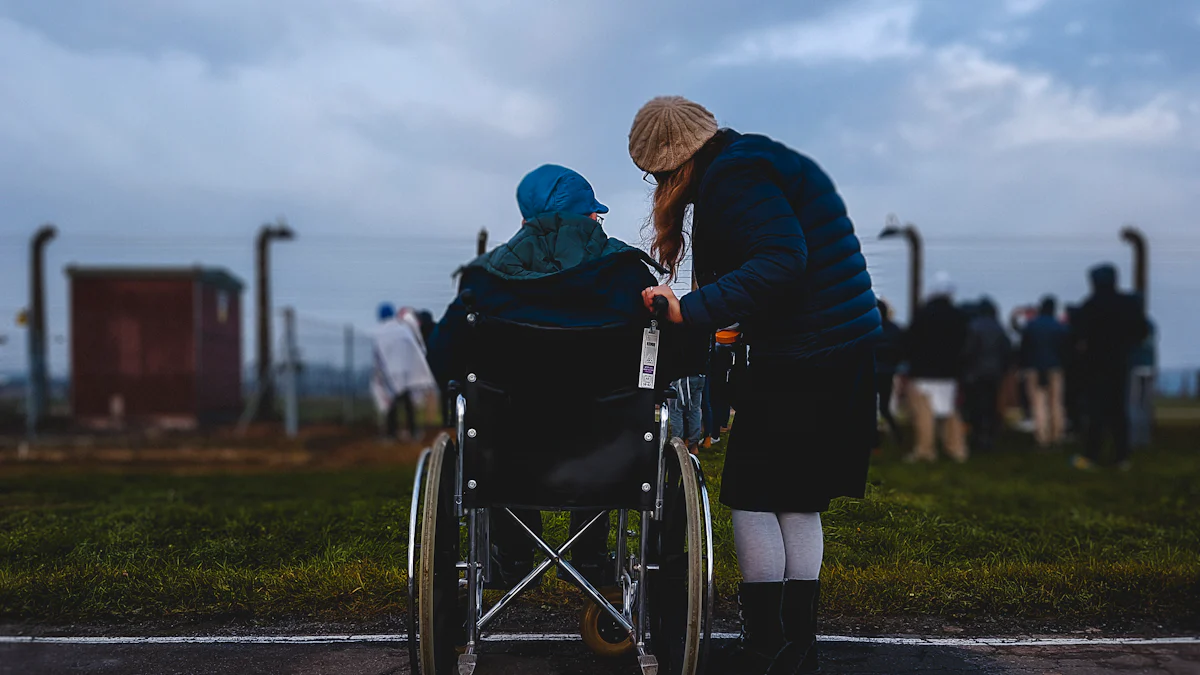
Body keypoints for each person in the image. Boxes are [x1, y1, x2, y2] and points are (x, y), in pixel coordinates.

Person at [630, 96, 881, 675]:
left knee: (751, 490)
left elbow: (781, 259)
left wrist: (689, 310)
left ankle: (766, 642)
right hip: (834, 347)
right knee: (794, 495)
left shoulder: (735, 177)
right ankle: (797, 644)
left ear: (677, 162)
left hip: (808, 350)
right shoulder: (752, 161)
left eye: (659, 174)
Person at [425, 163, 701, 593]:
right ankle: (589, 558)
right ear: (591, 218)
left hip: (506, 457)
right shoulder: (629, 276)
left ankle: (512, 554)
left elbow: (442, 359)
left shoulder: (484, 281)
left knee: (498, 427)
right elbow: (677, 360)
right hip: (610, 456)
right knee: (609, 420)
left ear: (524, 221)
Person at [1071, 264, 1149, 470]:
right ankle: (1122, 457)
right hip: (1120, 362)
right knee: (1119, 411)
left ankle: (1091, 456)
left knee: (1096, 411)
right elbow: (1142, 330)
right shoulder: (1128, 304)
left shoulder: (1089, 305)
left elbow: (1077, 335)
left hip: (1095, 364)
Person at [904, 273, 969, 463]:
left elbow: (910, 342)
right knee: (950, 412)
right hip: (949, 372)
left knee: (924, 414)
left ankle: (925, 450)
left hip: (923, 372)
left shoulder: (922, 314)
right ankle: (956, 449)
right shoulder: (958, 316)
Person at [371, 303, 436, 442]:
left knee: (392, 405)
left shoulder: (379, 333)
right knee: (408, 404)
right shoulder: (403, 329)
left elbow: (377, 356)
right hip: (407, 371)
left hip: (390, 372)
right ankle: (413, 432)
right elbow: (416, 349)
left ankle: (390, 434)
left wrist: (380, 375)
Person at [962, 297, 1011, 452]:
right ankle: (990, 437)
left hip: (975, 373)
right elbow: (1007, 351)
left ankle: (978, 436)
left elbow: (967, 351)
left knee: (976, 406)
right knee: (991, 406)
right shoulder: (999, 328)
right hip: (995, 373)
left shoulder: (973, 326)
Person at [1021, 296, 1068, 448]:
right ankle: (1057, 435)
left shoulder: (1031, 325)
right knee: (1056, 403)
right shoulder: (1059, 326)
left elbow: (1024, 347)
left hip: (1034, 368)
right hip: (1055, 368)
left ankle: (1042, 437)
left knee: (1039, 404)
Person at [874, 299, 905, 446]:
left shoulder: (867, 329)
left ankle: (875, 441)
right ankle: (898, 436)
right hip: (888, 372)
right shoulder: (895, 329)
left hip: (871, 371)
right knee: (884, 408)